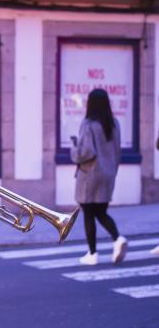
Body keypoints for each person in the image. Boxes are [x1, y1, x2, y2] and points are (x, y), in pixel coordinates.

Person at [70, 88, 127, 265]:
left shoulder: (88, 124)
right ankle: (117, 239)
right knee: (101, 212)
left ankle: (92, 254)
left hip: (90, 175)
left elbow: (87, 151)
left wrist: (73, 150)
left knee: (88, 212)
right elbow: (117, 151)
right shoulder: (114, 123)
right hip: (108, 173)